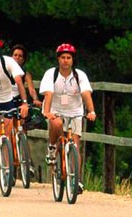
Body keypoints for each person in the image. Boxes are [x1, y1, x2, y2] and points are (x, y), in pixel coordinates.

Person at [39, 43, 96, 193]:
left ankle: (76, 180)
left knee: (75, 145)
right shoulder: (51, 74)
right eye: (63, 57)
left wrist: (91, 111)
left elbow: (85, 93)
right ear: (58, 59)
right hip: (55, 109)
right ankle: (52, 147)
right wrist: (47, 112)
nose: (65, 60)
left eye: (68, 58)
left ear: (72, 60)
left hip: (75, 111)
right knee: (56, 124)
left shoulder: (79, 75)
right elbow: (48, 93)